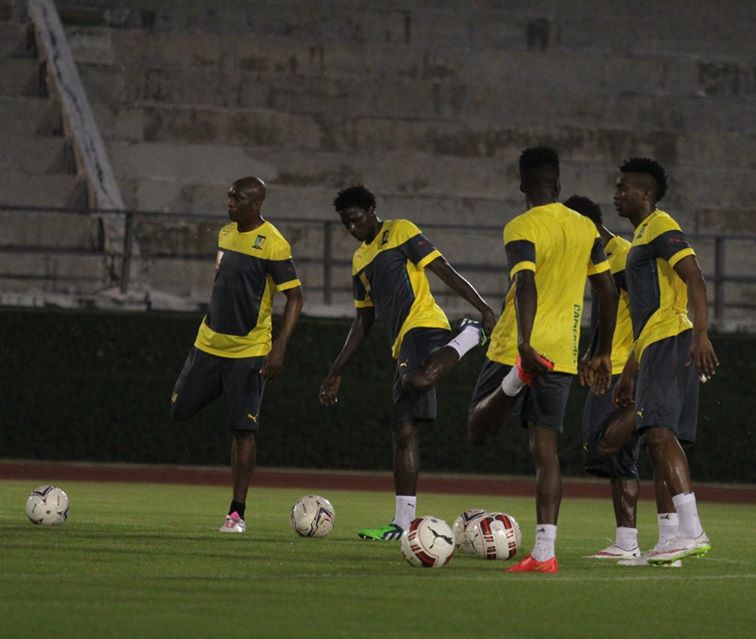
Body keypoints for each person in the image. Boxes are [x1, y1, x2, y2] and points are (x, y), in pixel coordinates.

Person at [466, 147, 618, 574]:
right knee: (545, 451)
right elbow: (607, 292)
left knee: (477, 429)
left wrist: (524, 343)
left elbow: (526, 283)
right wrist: (601, 351)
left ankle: (516, 379)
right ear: (559, 184)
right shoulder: (585, 226)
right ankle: (545, 553)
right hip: (563, 352)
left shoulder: (522, 226)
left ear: (521, 185)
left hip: (519, 346)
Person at [319, 185, 497, 541]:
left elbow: (442, 268)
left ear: (372, 209)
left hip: (424, 325)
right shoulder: (359, 260)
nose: (352, 228)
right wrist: (336, 372)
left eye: (356, 219)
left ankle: (471, 333)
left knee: (417, 380)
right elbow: (363, 322)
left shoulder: (400, 230)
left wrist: (484, 308)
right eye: (345, 224)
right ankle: (402, 524)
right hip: (402, 343)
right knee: (403, 429)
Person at [588, 157, 719, 566]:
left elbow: (695, 277)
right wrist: (631, 372)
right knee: (657, 439)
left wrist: (700, 333)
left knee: (659, 435)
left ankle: (692, 531)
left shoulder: (661, 225)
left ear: (646, 193)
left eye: (623, 188)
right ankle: (669, 541)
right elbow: (644, 316)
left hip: (671, 339)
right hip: (654, 346)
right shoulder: (642, 234)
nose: (616, 194)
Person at [171, 176, 303, 534]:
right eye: (229, 197)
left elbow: (295, 297)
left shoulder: (274, 243)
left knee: (242, 430)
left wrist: (279, 347)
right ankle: (227, 391)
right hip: (208, 345)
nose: (229, 203)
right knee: (179, 409)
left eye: (237, 198)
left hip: (249, 351)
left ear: (256, 203)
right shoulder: (226, 234)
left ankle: (236, 512)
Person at [563, 194, 643, 561]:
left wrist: (635, 366)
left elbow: (645, 313)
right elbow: (608, 313)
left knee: (601, 445)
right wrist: (592, 352)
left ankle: (649, 409)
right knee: (616, 458)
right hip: (611, 363)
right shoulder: (598, 256)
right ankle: (627, 542)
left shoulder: (623, 255)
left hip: (625, 366)